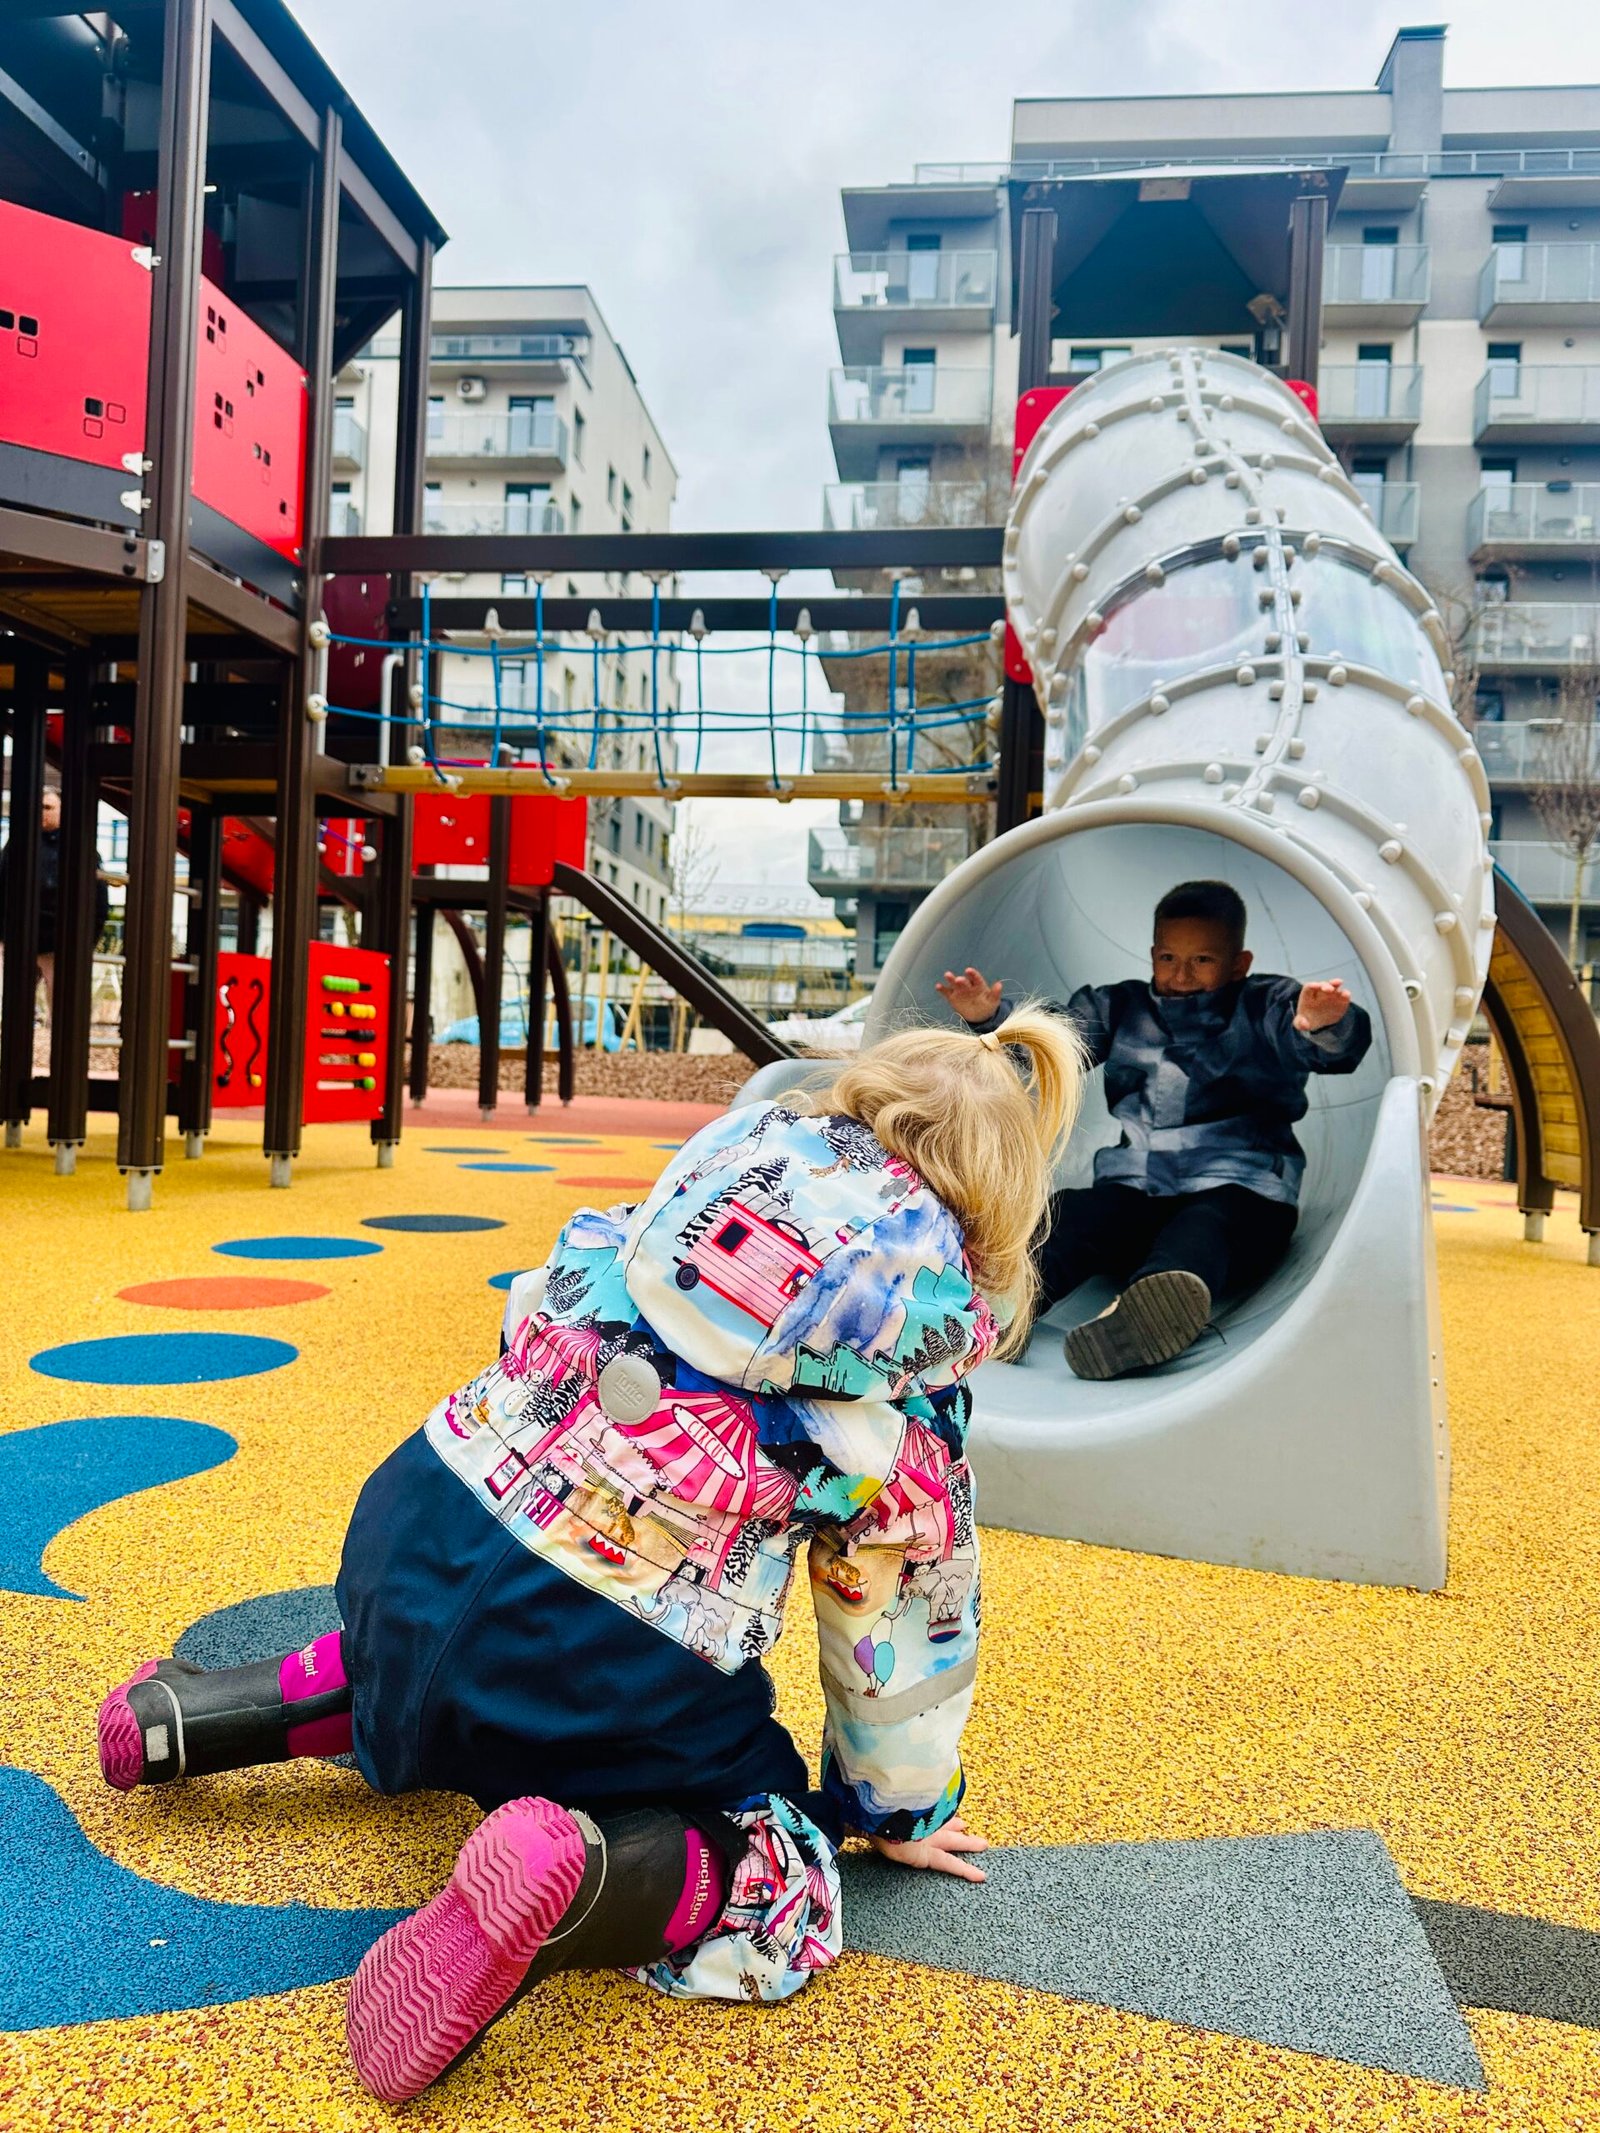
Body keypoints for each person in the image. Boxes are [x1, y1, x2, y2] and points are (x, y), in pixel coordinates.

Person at [93, 1008, 1081, 2102]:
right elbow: (895, 1625)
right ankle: (584, 1878)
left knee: (441, 1634)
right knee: (779, 1874)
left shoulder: (647, 1223)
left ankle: (198, 1716)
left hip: (408, 1531)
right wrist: (896, 1811)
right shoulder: (902, 1401)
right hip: (594, 1661)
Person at [936, 879, 1372, 1380]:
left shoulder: (1266, 1005)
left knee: (1204, 1226)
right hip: (1139, 1190)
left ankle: (1151, 1311)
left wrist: (1321, 1023)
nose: (1182, 975)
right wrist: (993, 1019)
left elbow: (1332, 1049)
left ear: (1239, 964)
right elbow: (1052, 1049)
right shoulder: (1120, 1007)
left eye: (1203, 961)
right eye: (1168, 958)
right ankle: (1003, 1312)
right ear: (1152, 954)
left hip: (1242, 1191)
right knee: (1073, 1214)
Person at [0, 782, 109, 1029]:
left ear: (62, 811)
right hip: (21, 937)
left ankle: (57, 1046)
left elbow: (99, 898)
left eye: (48, 807)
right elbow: (2, 884)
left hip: (59, 940)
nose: (42, 812)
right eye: (38, 807)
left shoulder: (79, 847)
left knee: (62, 1005)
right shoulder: (18, 844)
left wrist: (88, 940)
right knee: (14, 1002)